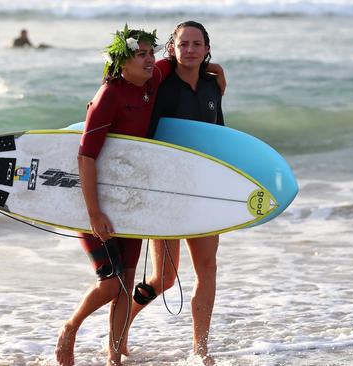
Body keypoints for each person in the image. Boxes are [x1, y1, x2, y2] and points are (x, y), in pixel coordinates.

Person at [54, 24, 169, 366]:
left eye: (152, 53)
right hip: (94, 201)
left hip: (127, 202)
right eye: (141, 54)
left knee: (127, 281)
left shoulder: (152, 83)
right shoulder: (109, 96)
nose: (150, 60)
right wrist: (93, 213)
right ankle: (70, 328)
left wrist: (215, 72)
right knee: (110, 285)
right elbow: (86, 155)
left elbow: (179, 59)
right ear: (122, 62)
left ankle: (114, 356)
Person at [123, 21, 226, 365]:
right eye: (184, 44)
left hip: (202, 192)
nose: (191, 49)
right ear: (172, 48)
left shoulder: (213, 87)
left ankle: (200, 349)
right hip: (165, 191)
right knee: (164, 278)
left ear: (207, 49)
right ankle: (121, 327)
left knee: (207, 270)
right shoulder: (161, 85)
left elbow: (219, 138)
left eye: (198, 44)